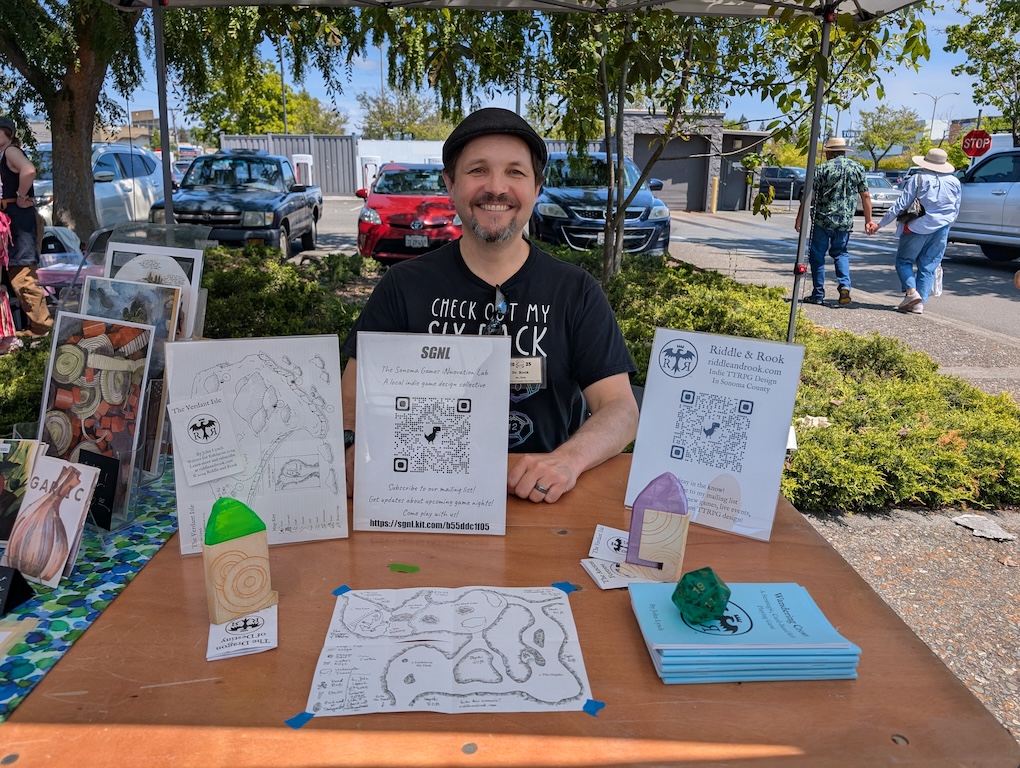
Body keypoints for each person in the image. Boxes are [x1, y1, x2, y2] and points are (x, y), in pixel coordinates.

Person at [340, 108, 639, 504]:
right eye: (478, 170)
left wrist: (566, 461)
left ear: (537, 187)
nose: (496, 188)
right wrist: (348, 450)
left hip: (540, 501)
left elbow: (619, 408)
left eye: (515, 172)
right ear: (450, 183)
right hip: (423, 499)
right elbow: (349, 404)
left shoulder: (575, 291)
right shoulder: (404, 286)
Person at [865, 148, 962, 315]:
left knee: (904, 261)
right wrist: (947, 226)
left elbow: (901, 205)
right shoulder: (954, 182)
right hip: (942, 228)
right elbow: (956, 208)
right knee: (928, 265)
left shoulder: (918, 179)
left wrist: (880, 224)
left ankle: (911, 293)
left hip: (917, 227)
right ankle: (919, 304)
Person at [794, 136, 873, 306]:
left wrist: (799, 218)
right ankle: (844, 285)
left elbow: (809, 196)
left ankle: (818, 294)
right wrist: (869, 220)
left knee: (817, 255)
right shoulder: (857, 168)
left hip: (822, 219)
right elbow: (865, 195)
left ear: (829, 152)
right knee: (840, 253)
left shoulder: (821, 169)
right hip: (844, 221)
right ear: (844, 151)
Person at [0, 116, 51, 338]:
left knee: (22, 275)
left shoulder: (10, 151)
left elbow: (29, 170)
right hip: (9, 218)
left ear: (6, 133)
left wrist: (21, 196)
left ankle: (42, 328)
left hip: (16, 219)